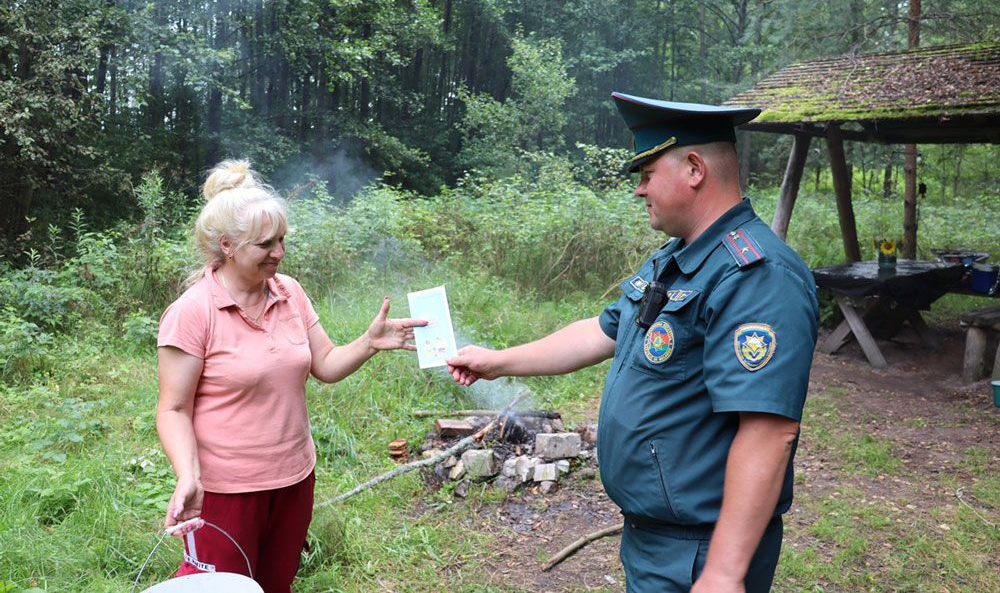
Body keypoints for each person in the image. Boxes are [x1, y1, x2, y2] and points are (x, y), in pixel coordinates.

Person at [447, 92, 818, 593]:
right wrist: (497, 361)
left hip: (701, 549)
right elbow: (602, 331)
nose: (639, 190)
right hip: (656, 539)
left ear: (693, 168)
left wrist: (725, 571)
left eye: (646, 175)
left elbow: (768, 430)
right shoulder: (678, 257)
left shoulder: (756, 275)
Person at [156, 159, 426, 592]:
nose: (278, 253)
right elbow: (172, 409)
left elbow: (326, 365)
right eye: (265, 244)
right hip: (225, 491)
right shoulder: (192, 312)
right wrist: (188, 475)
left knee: (275, 584)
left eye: (282, 240)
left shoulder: (290, 292)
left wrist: (369, 343)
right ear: (226, 244)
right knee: (222, 588)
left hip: (294, 479)